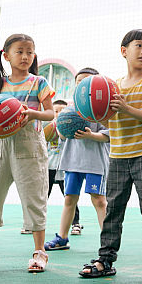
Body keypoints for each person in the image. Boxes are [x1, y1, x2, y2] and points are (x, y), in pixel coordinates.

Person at [79, 31, 142, 283]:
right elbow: (108, 123)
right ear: (124, 51)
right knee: (113, 210)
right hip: (118, 156)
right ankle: (106, 259)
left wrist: (127, 108)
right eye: (139, 45)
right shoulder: (112, 87)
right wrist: (90, 128)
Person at [0, 34, 55, 272]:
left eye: (30, 52)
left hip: (29, 146)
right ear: (6, 56)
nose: (25, 56)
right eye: (20, 51)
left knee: (35, 199)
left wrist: (33, 114)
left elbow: (50, 114)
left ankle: (39, 252)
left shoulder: (39, 83)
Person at [46, 68, 109, 251]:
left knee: (99, 200)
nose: (83, 84)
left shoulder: (101, 108)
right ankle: (62, 238)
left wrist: (91, 135)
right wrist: (61, 128)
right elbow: (63, 136)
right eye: (79, 81)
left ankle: (107, 242)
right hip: (72, 161)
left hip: (95, 162)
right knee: (69, 199)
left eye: (88, 80)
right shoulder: (70, 108)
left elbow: (108, 136)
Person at [45, 100, 80, 235]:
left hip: (65, 167)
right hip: (49, 167)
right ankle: (33, 224)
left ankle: (75, 223)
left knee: (70, 196)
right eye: (56, 111)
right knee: (42, 197)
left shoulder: (71, 127)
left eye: (62, 111)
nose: (59, 114)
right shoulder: (47, 128)